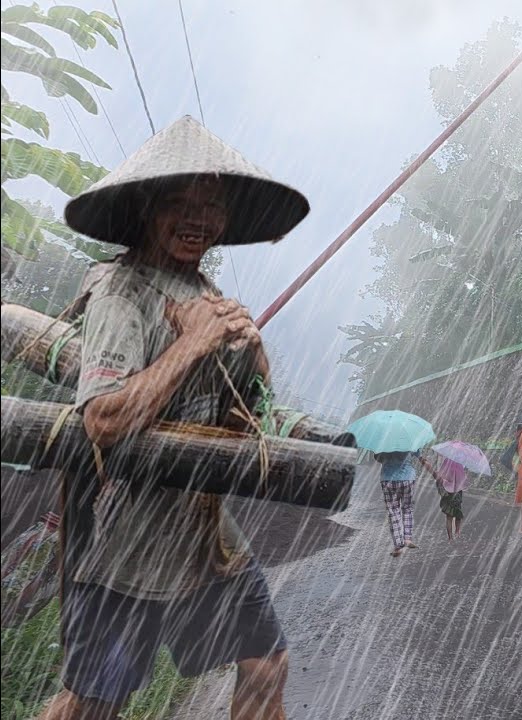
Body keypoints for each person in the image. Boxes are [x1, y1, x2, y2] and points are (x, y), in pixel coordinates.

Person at [40, 116, 309, 720]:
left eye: (211, 205)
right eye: (179, 202)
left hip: (201, 536)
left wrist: (252, 350)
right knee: (94, 703)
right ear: (144, 207)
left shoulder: (203, 292)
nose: (198, 218)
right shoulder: (121, 293)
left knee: (267, 665)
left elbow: (244, 421)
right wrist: (190, 344)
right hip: (123, 546)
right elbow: (104, 421)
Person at [375, 450, 432, 556]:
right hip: (407, 478)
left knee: (393, 512)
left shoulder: (383, 440)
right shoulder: (410, 440)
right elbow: (422, 459)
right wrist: (435, 474)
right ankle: (407, 539)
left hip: (388, 479)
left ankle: (398, 546)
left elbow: (378, 459)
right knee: (407, 508)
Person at [435, 457, 467, 541]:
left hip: (448, 491)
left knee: (449, 516)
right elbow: (463, 478)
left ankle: (451, 537)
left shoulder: (447, 461)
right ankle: (457, 532)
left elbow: (440, 475)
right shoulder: (460, 463)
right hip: (457, 491)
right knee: (458, 513)